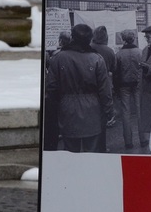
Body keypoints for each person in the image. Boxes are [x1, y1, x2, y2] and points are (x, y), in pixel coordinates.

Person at [45, 23, 114, 153]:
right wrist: (108, 109)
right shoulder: (97, 59)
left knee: (70, 151)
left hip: (67, 109)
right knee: (92, 151)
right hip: (92, 109)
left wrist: (55, 111)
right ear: (89, 39)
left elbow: (51, 88)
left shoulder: (58, 58)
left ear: (72, 37)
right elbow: (105, 89)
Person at [114, 29, 142, 150]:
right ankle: (143, 139)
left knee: (126, 112)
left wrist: (116, 88)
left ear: (123, 39)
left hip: (124, 85)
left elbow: (116, 72)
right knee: (140, 110)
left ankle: (128, 141)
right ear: (134, 38)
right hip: (138, 84)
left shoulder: (118, 54)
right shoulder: (140, 52)